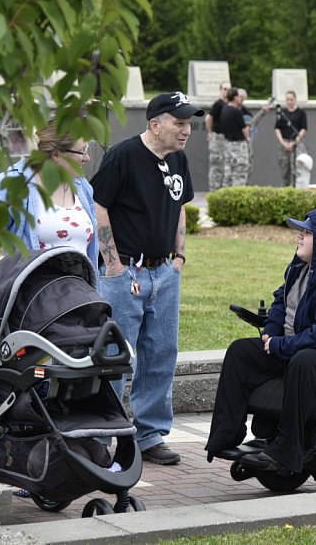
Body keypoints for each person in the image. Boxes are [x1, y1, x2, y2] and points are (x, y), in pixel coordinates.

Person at [205, 207, 316, 474]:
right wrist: (271, 331)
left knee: (304, 361)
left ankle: (286, 449)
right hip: (299, 345)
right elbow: (281, 301)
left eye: (307, 233)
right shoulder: (300, 268)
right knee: (241, 351)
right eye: (301, 231)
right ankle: (226, 433)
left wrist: (283, 345)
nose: (299, 237)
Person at [91, 91, 203, 465]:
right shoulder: (123, 156)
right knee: (114, 356)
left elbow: (181, 206)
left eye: (188, 123)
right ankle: (102, 435)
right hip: (124, 272)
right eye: (179, 122)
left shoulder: (179, 159)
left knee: (161, 353)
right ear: (155, 124)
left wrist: (180, 258)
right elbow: (99, 205)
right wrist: (112, 265)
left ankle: (150, 434)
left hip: (165, 272)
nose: (186, 130)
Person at [0, 119, 97, 271]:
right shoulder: (15, 182)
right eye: (82, 151)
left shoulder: (82, 186)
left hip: (80, 291)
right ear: (56, 155)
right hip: (36, 291)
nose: (87, 158)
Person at [274, 91, 307, 187]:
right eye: (287, 99)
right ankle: (286, 188)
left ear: (295, 99)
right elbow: (277, 128)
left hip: (296, 143)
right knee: (285, 168)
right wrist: (282, 142)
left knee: (297, 168)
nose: (289, 102)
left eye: (291, 99)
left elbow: (304, 129)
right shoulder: (282, 113)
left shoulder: (301, 113)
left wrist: (295, 142)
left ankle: (297, 188)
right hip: (284, 143)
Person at [220, 86, 251, 188]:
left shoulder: (224, 109)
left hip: (228, 144)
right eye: (239, 95)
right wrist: (248, 138)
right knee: (240, 172)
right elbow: (244, 129)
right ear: (235, 97)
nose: (240, 98)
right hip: (238, 146)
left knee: (228, 173)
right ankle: (238, 194)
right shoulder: (235, 111)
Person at [205, 81, 230, 192]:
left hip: (227, 138)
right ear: (220, 90)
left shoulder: (230, 104)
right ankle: (214, 190)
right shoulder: (218, 104)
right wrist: (211, 132)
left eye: (229, 89)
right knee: (216, 166)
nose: (227, 91)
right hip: (218, 138)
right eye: (224, 89)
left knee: (226, 166)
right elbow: (208, 118)